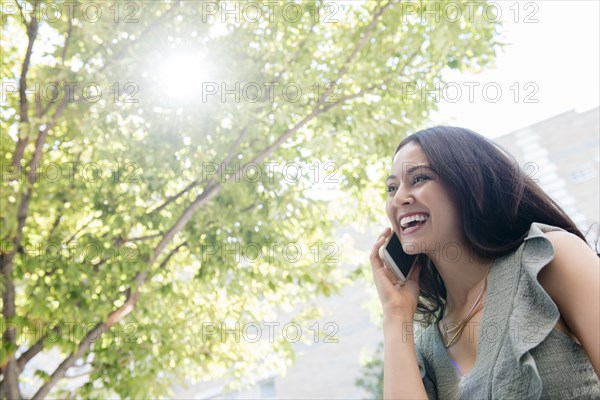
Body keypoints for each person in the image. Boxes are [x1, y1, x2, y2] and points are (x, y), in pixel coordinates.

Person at [369, 126, 600, 399]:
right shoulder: (424, 350)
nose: (399, 198)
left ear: (468, 183)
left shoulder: (549, 257)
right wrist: (395, 315)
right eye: (392, 188)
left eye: (419, 179)